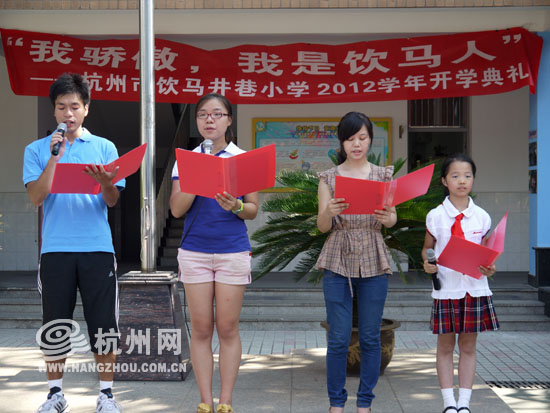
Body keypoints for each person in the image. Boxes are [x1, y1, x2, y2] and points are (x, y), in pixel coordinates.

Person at [23, 73, 124, 413]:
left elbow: (112, 201)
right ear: (53, 111)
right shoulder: (37, 150)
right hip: (55, 250)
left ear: (86, 109)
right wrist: (56, 156)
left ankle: (106, 395)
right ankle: (55, 394)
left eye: (74, 107)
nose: (68, 113)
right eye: (61, 107)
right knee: (55, 323)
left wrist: (106, 182)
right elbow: (36, 197)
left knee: (103, 324)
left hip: (97, 248)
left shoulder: (105, 147)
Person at [169, 93, 259, 413]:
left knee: (227, 327)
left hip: (232, 251)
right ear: (197, 122)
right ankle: (205, 401)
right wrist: (199, 174)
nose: (210, 120)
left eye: (217, 114)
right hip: (194, 252)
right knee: (202, 327)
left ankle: (226, 401)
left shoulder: (242, 159)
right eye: (203, 115)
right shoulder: (186, 159)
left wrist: (235, 205)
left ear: (229, 120)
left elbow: (252, 210)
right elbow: (177, 209)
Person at [316, 111, 397, 413]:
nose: (357, 144)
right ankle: (336, 404)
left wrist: (389, 217)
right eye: (350, 139)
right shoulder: (329, 178)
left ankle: (365, 403)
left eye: (362, 137)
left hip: (374, 257)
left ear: (370, 139)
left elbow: (391, 219)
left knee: (370, 336)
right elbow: (322, 226)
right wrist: (330, 211)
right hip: (338, 256)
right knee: (338, 337)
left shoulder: (383, 175)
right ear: (342, 142)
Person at [422, 153, 499, 413]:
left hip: (475, 290)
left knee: (468, 346)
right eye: (455, 176)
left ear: (473, 180)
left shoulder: (483, 217)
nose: (462, 181)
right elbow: (427, 248)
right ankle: (448, 404)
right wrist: (427, 262)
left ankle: (464, 404)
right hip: (446, 289)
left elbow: (487, 254)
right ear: (444, 181)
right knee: (445, 347)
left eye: (467, 176)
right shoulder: (435, 216)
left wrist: (490, 268)